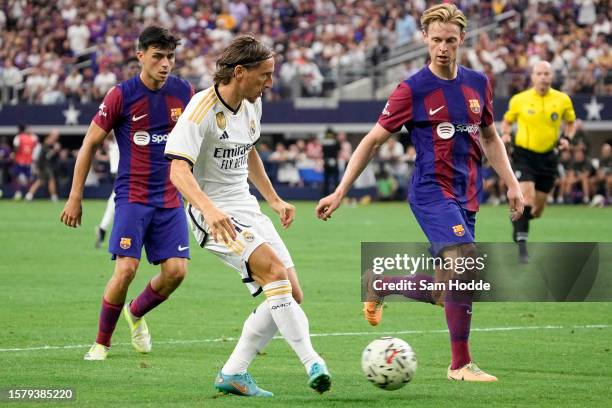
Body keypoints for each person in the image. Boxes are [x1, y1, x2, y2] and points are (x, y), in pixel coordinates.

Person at [316, 3, 524, 382]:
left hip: (468, 193)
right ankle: (460, 366)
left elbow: (491, 137)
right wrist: (341, 190)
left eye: (450, 40)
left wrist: (511, 183)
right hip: (431, 190)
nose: (442, 48)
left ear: (462, 39)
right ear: (425, 39)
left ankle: (382, 284)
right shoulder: (412, 89)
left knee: (453, 286)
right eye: (436, 40)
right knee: (465, 258)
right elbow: (373, 140)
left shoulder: (478, 83)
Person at [166, 35, 331, 397]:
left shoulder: (252, 104)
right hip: (211, 212)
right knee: (274, 273)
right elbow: (178, 171)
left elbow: (248, 150)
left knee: (292, 293)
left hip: (246, 207)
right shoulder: (200, 110)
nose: (270, 82)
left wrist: (273, 198)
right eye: (265, 75)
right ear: (239, 72)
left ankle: (233, 372)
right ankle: (313, 362)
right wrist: (210, 211)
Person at [60, 26, 193, 361]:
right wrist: (75, 196)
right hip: (132, 196)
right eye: (158, 56)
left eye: (170, 57)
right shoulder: (122, 95)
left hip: (169, 197)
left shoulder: (184, 92)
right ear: (141, 56)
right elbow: (90, 143)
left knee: (177, 272)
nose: (165, 64)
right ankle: (102, 343)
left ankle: (135, 312)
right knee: (126, 270)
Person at [501, 61, 576, 262]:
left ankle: (520, 221)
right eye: (539, 73)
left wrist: (567, 139)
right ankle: (522, 246)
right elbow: (507, 121)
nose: (543, 77)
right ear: (532, 77)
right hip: (524, 155)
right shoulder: (519, 100)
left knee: (538, 210)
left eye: (546, 73)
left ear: (552, 77)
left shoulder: (562, 100)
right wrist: (507, 134)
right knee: (527, 200)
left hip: (548, 158)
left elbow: (571, 123)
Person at [95, 133, 119, 248]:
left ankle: (102, 230)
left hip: (123, 176)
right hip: (119, 176)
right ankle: (102, 230)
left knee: (112, 206)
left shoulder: (117, 142)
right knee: (112, 206)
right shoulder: (112, 144)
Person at [25, 129, 61, 201]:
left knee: (40, 181)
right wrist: (55, 150)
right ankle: (54, 196)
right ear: (52, 135)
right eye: (56, 135)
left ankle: (29, 195)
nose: (57, 137)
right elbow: (47, 155)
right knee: (51, 179)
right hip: (45, 165)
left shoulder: (52, 143)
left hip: (46, 165)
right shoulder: (48, 142)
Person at [12, 124, 38, 200]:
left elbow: (16, 148)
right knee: (29, 178)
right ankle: (28, 194)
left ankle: (18, 193)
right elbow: (35, 148)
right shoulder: (33, 138)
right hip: (29, 161)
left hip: (20, 161)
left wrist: (15, 155)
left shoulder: (18, 137)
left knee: (16, 177)